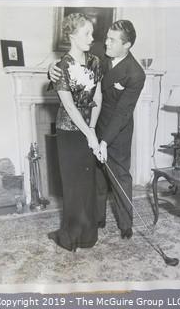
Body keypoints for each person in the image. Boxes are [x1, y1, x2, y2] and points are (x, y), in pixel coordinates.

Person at [48, 19, 145, 240]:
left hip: (117, 130)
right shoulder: (101, 51)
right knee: (97, 176)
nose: (105, 42)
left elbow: (122, 113)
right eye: (107, 37)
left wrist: (103, 141)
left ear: (127, 45)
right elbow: (71, 63)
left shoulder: (136, 73)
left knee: (119, 175)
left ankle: (125, 224)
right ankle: (97, 218)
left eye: (112, 40)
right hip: (92, 123)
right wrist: (51, 68)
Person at [47, 13, 102, 252]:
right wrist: (88, 134)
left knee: (88, 183)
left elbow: (98, 97)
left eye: (92, 32)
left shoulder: (95, 62)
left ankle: (88, 237)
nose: (92, 37)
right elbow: (69, 106)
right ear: (72, 35)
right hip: (69, 132)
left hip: (87, 128)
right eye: (87, 33)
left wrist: (92, 129)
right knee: (72, 185)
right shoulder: (61, 67)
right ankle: (70, 236)